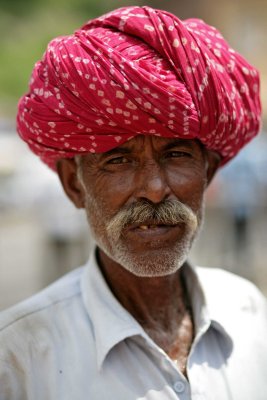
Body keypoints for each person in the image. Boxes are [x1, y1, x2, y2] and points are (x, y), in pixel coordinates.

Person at [1, 6, 266, 400]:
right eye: (119, 160)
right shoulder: (19, 356)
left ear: (208, 172)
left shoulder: (249, 311)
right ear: (74, 185)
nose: (155, 189)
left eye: (177, 155)